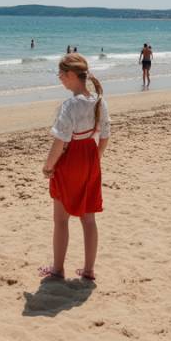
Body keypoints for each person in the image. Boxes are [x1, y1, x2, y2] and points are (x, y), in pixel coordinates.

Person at [39, 53, 110, 282]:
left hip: (70, 160)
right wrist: (95, 159)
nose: (59, 78)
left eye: (61, 74)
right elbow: (105, 136)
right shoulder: (99, 101)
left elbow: (60, 142)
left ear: (71, 74)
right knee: (88, 218)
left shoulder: (70, 105)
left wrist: (48, 166)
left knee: (61, 219)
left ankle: (58, 269)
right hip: (90, 156)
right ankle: (89, 270)